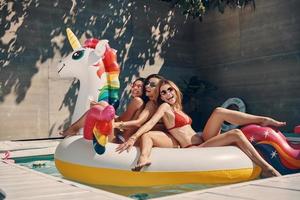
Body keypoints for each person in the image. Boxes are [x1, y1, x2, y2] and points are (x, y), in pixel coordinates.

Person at [116, 79, 285, 176]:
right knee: (236, 133)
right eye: (163, 93)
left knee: (218, 111)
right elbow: (150, 125)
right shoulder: (165, 108)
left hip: (202, 137)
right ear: (161, 97)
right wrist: (132, 137)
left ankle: (263, 120)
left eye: (170, 90)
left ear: (175, 90)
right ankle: (267, 168)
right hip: (195, 147)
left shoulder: (177, 108)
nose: (168, 95)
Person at [59, 78, 146, 141]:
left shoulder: (137, 101)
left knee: (103, 105)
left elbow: (122, 120)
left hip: (120, 139)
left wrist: (105, 109)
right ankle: (74, 129)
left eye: (139, 86)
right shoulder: (141, 102)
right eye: (133, 85)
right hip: (120, 135)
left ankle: (74, 129)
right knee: (101, 106)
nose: (135, 88)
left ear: (144, 89)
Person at [114, 74, 179, 149]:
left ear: (159, 89)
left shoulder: (153, 104)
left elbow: (138, 123)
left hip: (132, 140)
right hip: (156, 141)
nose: (147, 86)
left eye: (152, 85)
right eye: (147, 83)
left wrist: (115, 124)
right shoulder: (154, 104)